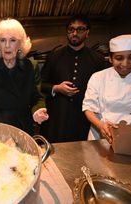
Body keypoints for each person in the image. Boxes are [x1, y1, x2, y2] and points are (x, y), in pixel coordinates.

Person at [40, 15, 106, 143]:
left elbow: (103, 90)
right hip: (57, 117)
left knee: (83, 153)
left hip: (84, 118)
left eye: (80, 29)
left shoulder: (97, 59)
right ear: (67, 32)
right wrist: (56, 88)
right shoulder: (54, 57)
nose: (75, 33)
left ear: (87, 33)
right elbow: (40, 84)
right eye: (71, 29)